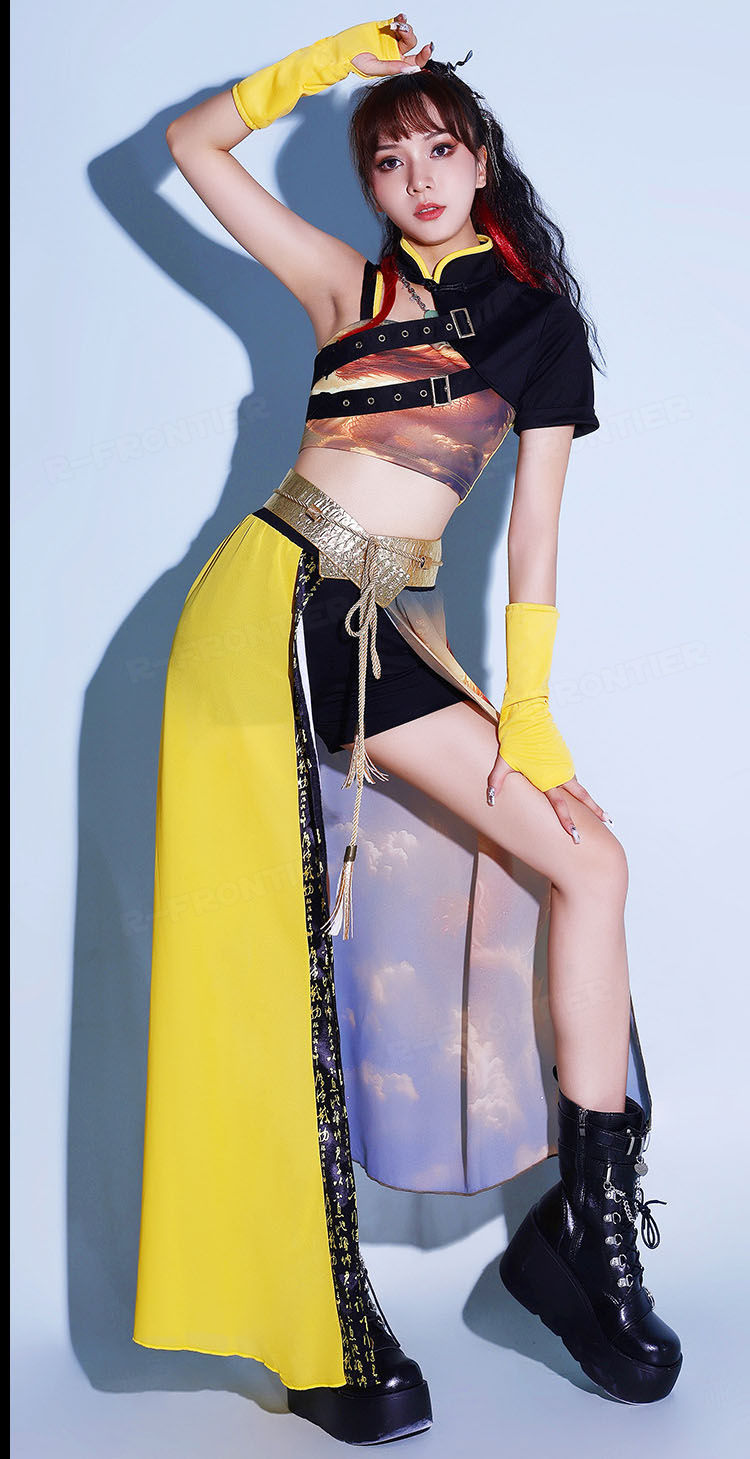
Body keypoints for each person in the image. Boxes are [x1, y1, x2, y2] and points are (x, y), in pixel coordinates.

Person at [132, 12, 683, 1444]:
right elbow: (192, 144)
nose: (420, 179)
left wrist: (532, 718)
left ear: (481, 159)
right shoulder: (347, 285)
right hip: (261, 617)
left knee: (587, 866)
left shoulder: (538, 328)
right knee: (265, 969)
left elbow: (536, 541)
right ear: (371, 186)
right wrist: (326, 67)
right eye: (391, 161)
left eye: (439, 150)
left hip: (382, 631)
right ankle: (311, 1316)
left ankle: (584, 1242)